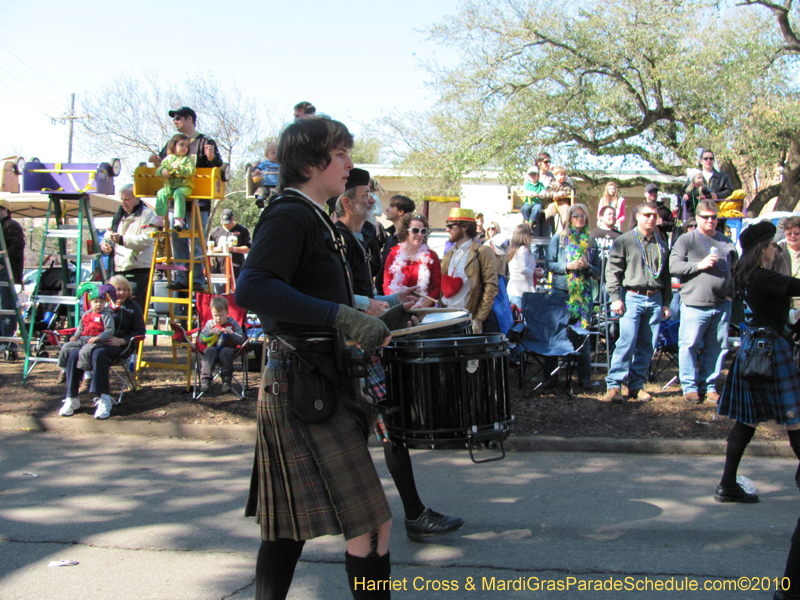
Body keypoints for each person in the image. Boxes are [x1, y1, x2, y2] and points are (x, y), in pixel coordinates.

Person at [234, 117, 396, 600]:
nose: (349, 162)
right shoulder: (290, 214)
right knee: (370, 527)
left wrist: (362, 309)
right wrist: (341, 317)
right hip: (302, 383)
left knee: (288, 529)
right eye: (340, 153)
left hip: (310, 379)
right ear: (309, 164)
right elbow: (253, 288)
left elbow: (308, 289)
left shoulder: (314, 217)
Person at [335, 171, 463, 544]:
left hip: (364, 343)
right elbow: (338, 298)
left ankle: (408, 515)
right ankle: (389, 519)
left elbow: (359, 295)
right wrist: (377, 304)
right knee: (377, 431)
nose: (373, 200)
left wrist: (392, 300)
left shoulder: (357, 238)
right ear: (347, 202)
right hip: (352, 347)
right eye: (365, 194)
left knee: (386, 429)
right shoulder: (338, 239)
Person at [715, 220, 800, 504]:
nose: (776, 248)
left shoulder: (746, 275)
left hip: (752, 351)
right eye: (773, 244)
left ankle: (727, 484)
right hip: (772, 352)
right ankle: (727, 485)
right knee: (795, 420)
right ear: (762, 248)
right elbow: (796, 286)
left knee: (746, 422)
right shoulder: (764, 277)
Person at [669, 201, 737, 404]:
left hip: (721, 304)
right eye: (706, 217)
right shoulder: (686, 239)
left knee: (717, 347)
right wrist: (698, 265)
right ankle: (690, 386)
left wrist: (731, 294)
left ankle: (709, 385)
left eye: (714, 217)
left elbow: (735, 270)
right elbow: (674, 266)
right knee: (689, 345)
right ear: (697, 218)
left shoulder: (726, 241)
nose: (710, 220)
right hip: (694, 304)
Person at [149, 106, 223, 292]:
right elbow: (162, 164)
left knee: (197, 241)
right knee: (177, 240)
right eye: (174, 119)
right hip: (176, 202)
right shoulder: (173, 142)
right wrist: (156, 163)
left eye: (178, 118)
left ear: (189, 118)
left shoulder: (205, 141)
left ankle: (197, 279)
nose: (175, 122)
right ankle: (181, 277)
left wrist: (211, 158)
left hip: (198, 202)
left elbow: (219, 168)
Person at [604, 202, 672, 403]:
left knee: (648, 344)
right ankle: (614, 384)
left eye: (654, 215)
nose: (651, 218)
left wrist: (666, 302)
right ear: (638, 216)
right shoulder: (625, 240)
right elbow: (612, 271)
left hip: (655, 298)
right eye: (647, 215)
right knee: (627, 341)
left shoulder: (661, 245)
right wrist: (615, 298)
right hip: (632, 297)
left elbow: (666, 277)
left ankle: (636, 385)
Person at [58, 276, 146, 420]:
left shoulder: (132, 307)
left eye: (125, 289)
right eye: (118, 289)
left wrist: (122, 340)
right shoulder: (100, 304)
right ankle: (72, 398)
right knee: (74, 354)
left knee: (99, 354)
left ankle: (103, 398)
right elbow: (86, 323)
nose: (121, 293)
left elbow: (140, 331)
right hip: (95, 342)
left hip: (119, 346)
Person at [546, 204, 602, 389]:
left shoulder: (591, 242)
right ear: (569, 218)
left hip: (583, 295)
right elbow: (549, 264)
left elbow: (598, 272)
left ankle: (584, 378)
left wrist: (587, 267)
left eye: (583, 216)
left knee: (583, 336)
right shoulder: (558, 239)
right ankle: (550, 377)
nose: (579, 218)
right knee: (555, 333)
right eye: (576, 215)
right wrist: (567, 266)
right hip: (561, 291)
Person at [440, 208, 500, 334]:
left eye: (450, 226)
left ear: (465, 226)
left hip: (467, 321)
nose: (447, 229)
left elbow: (491, 287)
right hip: (446, 319)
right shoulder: (449, 254)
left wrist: (479, 318)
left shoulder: (483, 252)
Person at [101, 183, 156, 311]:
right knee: (116, 308)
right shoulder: (118, 216)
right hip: (119, 269)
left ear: (137, 198)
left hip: (137, 271)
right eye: (121, 199)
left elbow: (147, 240)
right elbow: (107, 234)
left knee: (135, 309)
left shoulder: (147, 215)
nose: (123, 203)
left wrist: (121, 239)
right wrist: (104, 245)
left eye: (127, 199)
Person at [384, 214, 442, 308]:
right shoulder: (393, 254)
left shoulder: (432, 256)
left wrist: (421, 305)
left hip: (422, 310)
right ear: (405, 232)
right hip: (398, 307)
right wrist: (395, 301)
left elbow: (437, 288)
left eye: (423, 231)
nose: (420, 234)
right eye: (415, 230)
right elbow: (387, 285)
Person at [56, 284, 115, 374]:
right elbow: (80, 327)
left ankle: (87, 374)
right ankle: (63, 370)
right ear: (90, 302)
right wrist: (76, 335)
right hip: (83, 339)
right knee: (66, 346)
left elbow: (110, 330)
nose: (98, 304)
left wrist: (98, 337)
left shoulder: (106, 315)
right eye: (95, 302)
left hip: (97, 341)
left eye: (102, 302)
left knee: (85, 351)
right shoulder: (86, 314)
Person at [199, 296, 246, 394]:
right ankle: (205, 381)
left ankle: (226, 382)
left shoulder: (233, 323)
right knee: (209, 351)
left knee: (226, 352)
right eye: (215, 315)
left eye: (221, 315)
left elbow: (241, 340)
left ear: (227, 312)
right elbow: (201, 339)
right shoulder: (210, 323)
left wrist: (231, 333)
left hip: (228, 349)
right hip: (212, 348)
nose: (218, 318)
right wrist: (210, 332)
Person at [154, 133, 195, 231]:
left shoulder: (188, 159)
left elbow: (191, 171)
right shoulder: (168, 159)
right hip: (170, 186)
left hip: (185, 186)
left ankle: (178, 220)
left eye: (187, 146)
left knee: (179, 193)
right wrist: (163, 171)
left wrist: (180, 168)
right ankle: (159, 219)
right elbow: (159, 169)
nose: (184, 148)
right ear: (174, 145)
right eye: (181, 145)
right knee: (161, 193)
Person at [376, 194, 415, 295]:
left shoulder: (409, 239)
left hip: (399, 295)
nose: (386, 209)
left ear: (401, 212)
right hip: (384, 293)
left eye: (391, 206)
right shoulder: (390, 236)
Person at [0, 198, 25, 358]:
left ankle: (8, 342)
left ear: (5, 210)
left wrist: (2, 260)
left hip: (7, 274)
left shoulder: (11, 225)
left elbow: (17, 246)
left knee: (7, 308)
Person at [681, 149, 734, 219]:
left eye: (711, 158)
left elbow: (730, 192)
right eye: (706, 159)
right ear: (701, 161)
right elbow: (685, 191)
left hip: (716, 214)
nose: (708, 160)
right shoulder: (693, 176)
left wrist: (717, 196)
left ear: (714, 160)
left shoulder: (723, 177)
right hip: (696, 213)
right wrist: (686, 195)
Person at [208, 209, 251, 291]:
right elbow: (210, 249)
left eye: (228, 222)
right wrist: (218, 249)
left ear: (233, 219)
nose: (226, 225)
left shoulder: (242, 230)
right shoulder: (215, 232)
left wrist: (233, 249)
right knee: (219, 294)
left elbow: (248, 249)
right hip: (219, 271)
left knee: (236, 294)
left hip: (236, 270)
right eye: (224, 223)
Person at [507, 223, 542, 306]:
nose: (532, 236)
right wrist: (534, 273)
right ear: (525, 235)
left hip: (514, 290)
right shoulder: (523, 250)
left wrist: (534, 269)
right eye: (531, 233)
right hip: (520, 291)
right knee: (520, 314)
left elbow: (519, 267)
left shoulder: (514, 249)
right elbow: (522, 269)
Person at [252, 141, 279, 207]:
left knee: (276, 192)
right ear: (267, 155)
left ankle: (272, 200)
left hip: (276, 184)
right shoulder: (264, 163)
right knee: (263, 191)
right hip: (266, 184)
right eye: (273, 153)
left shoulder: (280, 164)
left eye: (278, 153)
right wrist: (257, 171)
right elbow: (258, 169)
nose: (276, 155)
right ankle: (260, 200)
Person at [521, 166, 546, 234]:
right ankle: (526, 220)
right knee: (525, 208)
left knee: (537, 209)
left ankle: (531, 222)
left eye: (534, 174)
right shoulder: (527, 184)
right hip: (528, 202)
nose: (533, 176)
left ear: (538, 176)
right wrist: (532, 194)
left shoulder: (540, 184)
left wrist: (539, 194)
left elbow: (544, 192)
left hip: (537, 202)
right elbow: (524, 191)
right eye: (531, 175)